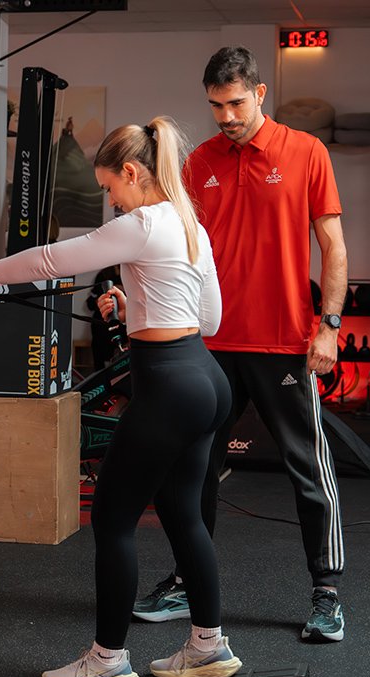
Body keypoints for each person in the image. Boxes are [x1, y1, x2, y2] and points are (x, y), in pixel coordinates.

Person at [0, 116, 242, 677]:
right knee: (182, 513)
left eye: (109, 187)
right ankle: (208, 646)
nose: (110, 199)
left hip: (170, 388)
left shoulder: (144, 221)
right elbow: (209, 319)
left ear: (131, 172)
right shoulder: (187, 221)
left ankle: (107, 661)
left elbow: (51, 260)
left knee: (112, 518)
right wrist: (134, 304)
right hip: (204, 379)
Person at [133, 46, 349, 643]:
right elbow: (167, 242)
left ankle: (326, 593)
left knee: (308, 467)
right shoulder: (198, 161)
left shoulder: (307, 153)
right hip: (208, 342)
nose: (225, 115)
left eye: (234, 102)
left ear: (259, 93)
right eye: (214, 105)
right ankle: (186, 580)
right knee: (194, 467)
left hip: (282, 342)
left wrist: (328, 325)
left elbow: (333, 246)